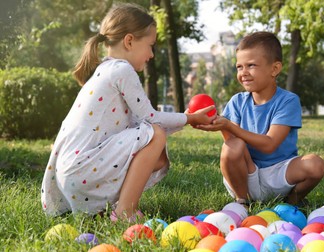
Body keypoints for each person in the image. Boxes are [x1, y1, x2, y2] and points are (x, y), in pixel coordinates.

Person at [40, 3, 215, 221]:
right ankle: (125, 211)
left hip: (72, 175)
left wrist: (186, 119)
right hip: (82, 170)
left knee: (158, 157)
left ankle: (106, 210)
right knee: (156, 135)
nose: (151, 54)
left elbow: (138, 125)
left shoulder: (105, 69)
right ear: (129, 41)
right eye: (150, 45)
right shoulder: (122, 70)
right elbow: (151, 120)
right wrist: (190, 118)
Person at [196, 31, 324, 206]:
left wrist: (228, 125)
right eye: (239, 67)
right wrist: (218, 125)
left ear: (275, 69)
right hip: (245, 175)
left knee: (315, 164)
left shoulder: (288, 100)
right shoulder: (237, 101)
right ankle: (242, 201)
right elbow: (232, 144)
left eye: (251, 65)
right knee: (232, 146)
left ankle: (292, 200)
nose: (244, 72)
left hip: (280, 173)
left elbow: (270, 144)